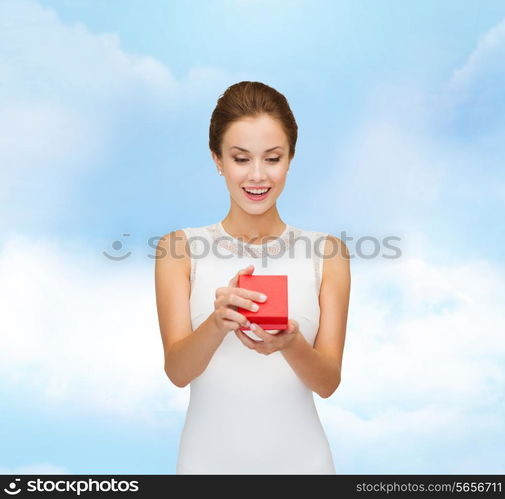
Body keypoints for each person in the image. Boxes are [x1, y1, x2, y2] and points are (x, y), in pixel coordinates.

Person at [155, 81, 351, 474]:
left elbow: (328, 383)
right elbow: (178, 373)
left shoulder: (327, 253)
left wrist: (291, 343)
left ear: (290, 158)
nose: (258, 176)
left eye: (273, 158)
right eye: (241, 158)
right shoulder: (179, 250)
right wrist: (216, 324)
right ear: (217, 160)